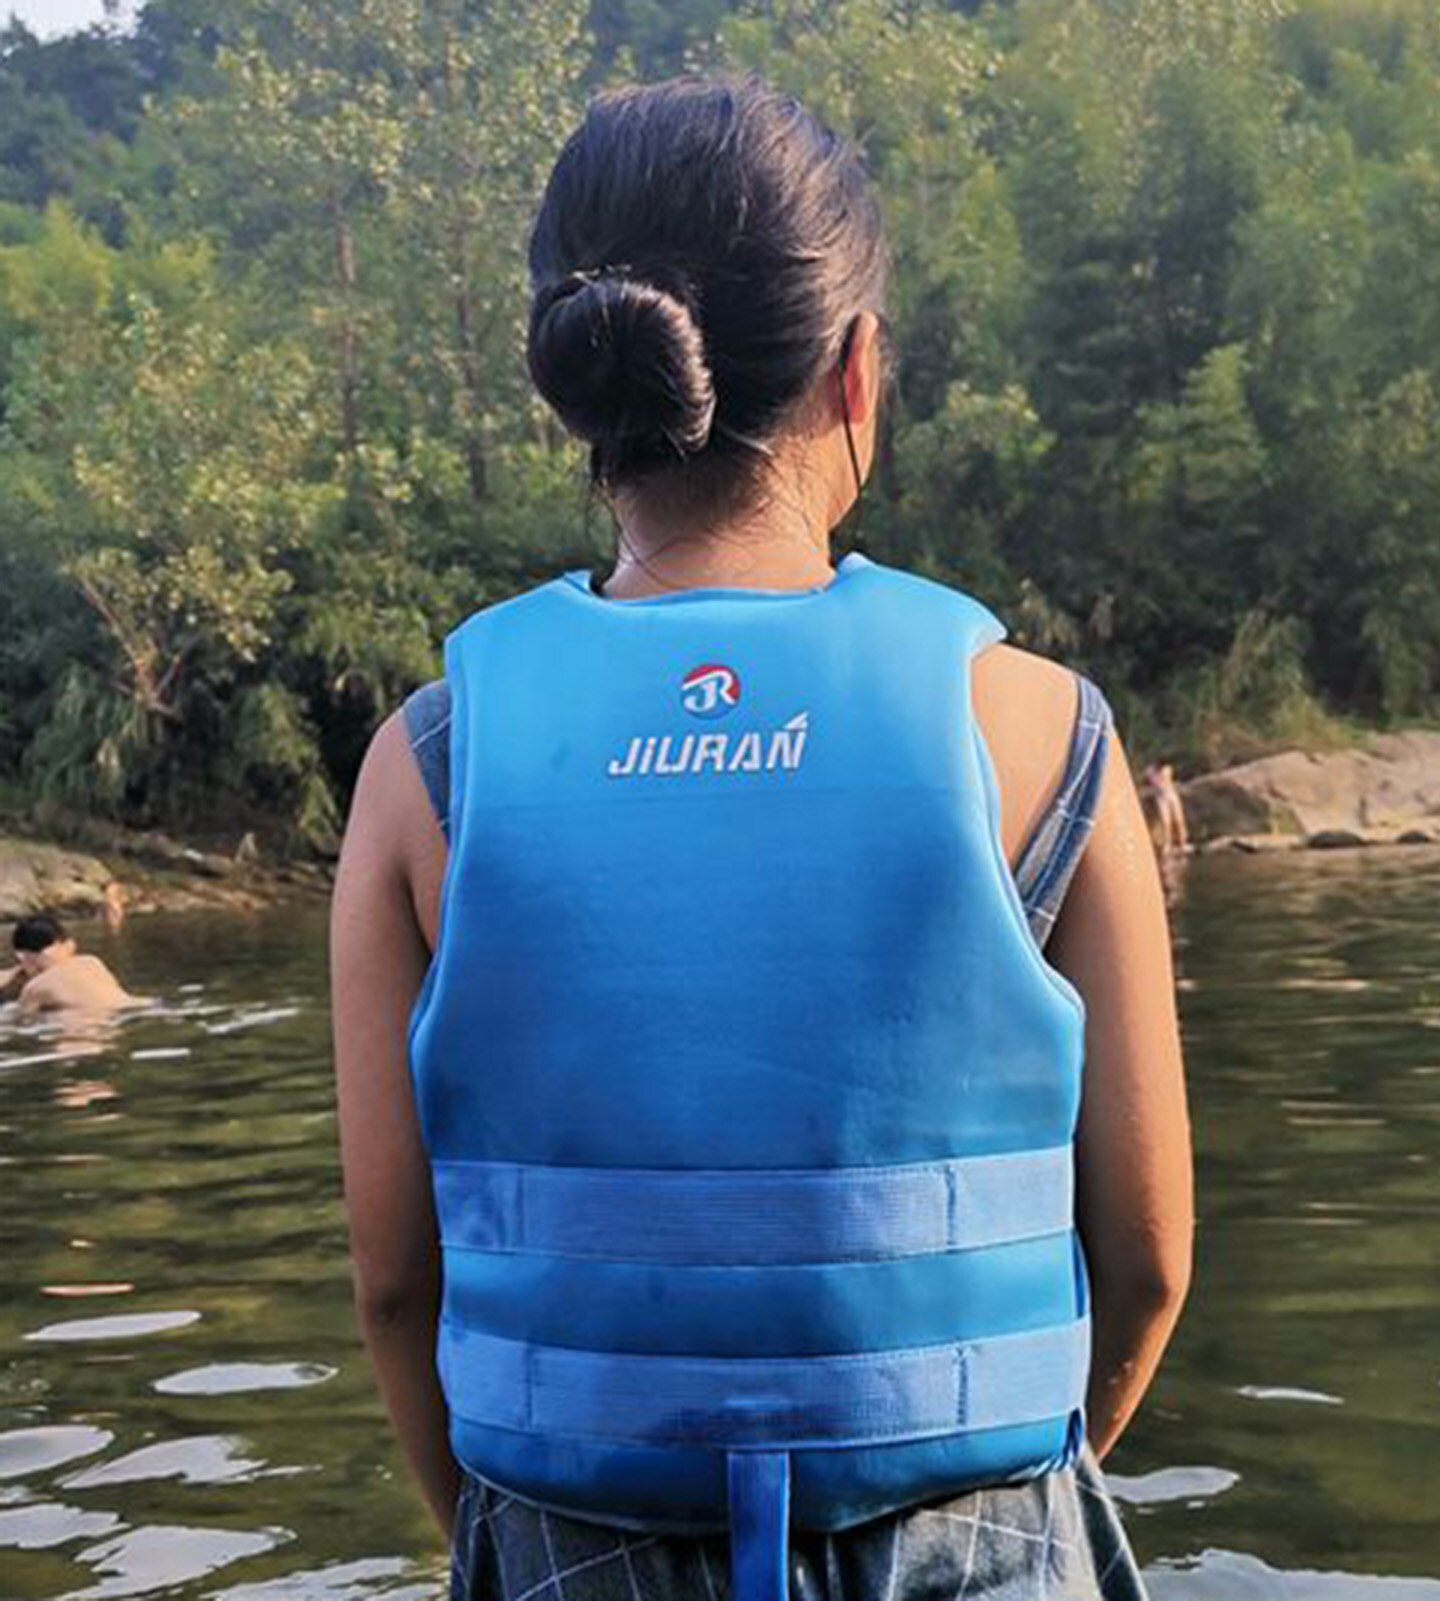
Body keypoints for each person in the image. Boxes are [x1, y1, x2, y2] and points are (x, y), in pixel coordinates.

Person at [331, 72, 1191, 1601]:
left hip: (565, 1540)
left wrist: (507, 1533)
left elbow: (396, 1283)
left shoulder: (425, 765)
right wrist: (1013, 1487)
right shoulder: (1043, 729)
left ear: (579, 386)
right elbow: (1148, 1259)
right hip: (979, 1525)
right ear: (857, 373)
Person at [1, 913, 148, 1012]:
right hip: (139, 1006)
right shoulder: (92, 962)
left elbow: (21, 1019)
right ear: (69, 944)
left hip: (90, 1018)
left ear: (23, 957)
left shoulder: (35, 988)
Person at [1144, 762, 1190, 856]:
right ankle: (1167, 845)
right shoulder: (1150, 771)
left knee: (1179, 820)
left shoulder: (1167, 769)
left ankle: (1183, 843)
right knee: (1166, 822)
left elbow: (1167, 781)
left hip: (1171, 795)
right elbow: (1155, 783)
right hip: (1161, 797)